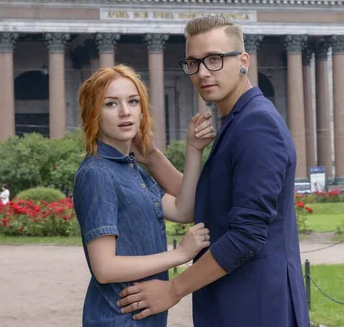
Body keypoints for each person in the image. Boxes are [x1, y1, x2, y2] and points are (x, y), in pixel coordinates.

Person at [117, 16, 311, 326]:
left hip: (256, 308)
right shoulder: (238, 120)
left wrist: (172, 289)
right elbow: (202, 202)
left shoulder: (256, 126)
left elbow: (246, 236)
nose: (203, 72)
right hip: (239, 302)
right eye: (193, 63)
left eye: (215, 59)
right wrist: (152, 157)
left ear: (243, 60)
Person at [72, 64, 216, 327]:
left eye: (133, 101)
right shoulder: (97, 173)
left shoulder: (131, 169)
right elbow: (105, 268)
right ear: (94, 113)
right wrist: (180, 254)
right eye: (111, 104)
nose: (125, 112)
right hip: (118, 318)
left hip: (143, 318)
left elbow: (185, 210)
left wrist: (191, 151)